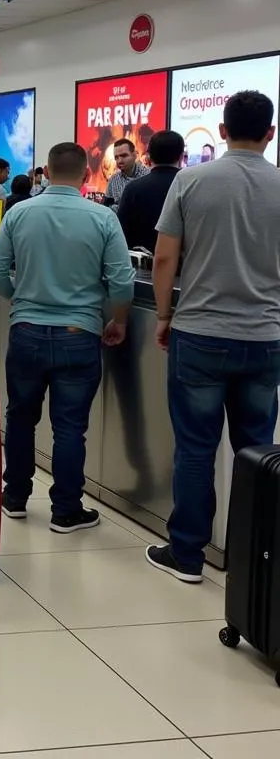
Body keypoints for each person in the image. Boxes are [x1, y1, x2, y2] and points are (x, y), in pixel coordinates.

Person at [147, 91, 280, 583]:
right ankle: (254, 559)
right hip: (265, 338)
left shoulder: (191, 180)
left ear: (221, 132)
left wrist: (163, 315)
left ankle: (187, 556)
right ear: (270, 133)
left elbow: (164, 258)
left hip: (199, 333)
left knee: (196, 448)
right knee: (257, 451)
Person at [0, 142, 134, 533]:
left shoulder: (19, 212)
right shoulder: (103, 218)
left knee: (20, 418)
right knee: (70, 427)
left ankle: (15, 497)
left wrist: (17, 299)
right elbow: (122, 280)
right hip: (80, 334)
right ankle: (66, 511)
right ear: (87, 175)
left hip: (27, 333)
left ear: (46, 174)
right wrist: (117, 319)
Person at [116, 130, 183, 254]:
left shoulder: (133, 189)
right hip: (184, 266)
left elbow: (121, 233)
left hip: (142, 265)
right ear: (181, 156)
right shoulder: (190, 186)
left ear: (148, 156)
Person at [106, 138, 150, 211]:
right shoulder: (113, 180)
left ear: (135, 155)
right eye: (116, 157)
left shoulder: (148, 175)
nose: (119, 161)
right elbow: (106, 206)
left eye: (124, 156)